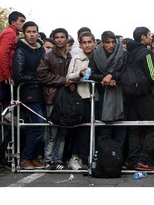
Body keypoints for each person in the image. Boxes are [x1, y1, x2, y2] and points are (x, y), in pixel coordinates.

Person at [124, 27, 154, 171]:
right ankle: (143, 160)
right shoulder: (146, 53)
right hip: (144, 95)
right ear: (143, 37)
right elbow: (153, 75)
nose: (150, 38)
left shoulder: (130, 53)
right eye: (148, 35)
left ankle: (133, 160)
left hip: (130, 95)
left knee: (135, 128)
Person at [11, 21, 46, 170]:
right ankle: (25, 157)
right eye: (29, 32)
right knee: (37, 125)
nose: (32, 34)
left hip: (42, 93)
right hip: (28, 93)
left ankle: (33, 157)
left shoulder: (41, 49)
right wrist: (37, 78)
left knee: (41, 126)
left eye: (34, 31)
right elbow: (18, 75)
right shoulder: (21, 50)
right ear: (24, 33)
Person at [36, 28, 72, 170]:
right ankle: (48, 160)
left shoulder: (70, 56)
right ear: (53, 39)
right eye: (56, 37)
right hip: (52, 97)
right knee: (52, 132)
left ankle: (58, 160)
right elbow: (41, 75)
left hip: (67, 98)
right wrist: (63, 80)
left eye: (62, 37)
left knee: (63, 131)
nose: (59, 39)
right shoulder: (48, 56)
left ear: (66, 38)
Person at [88, 31, 127, 149]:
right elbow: (90, 74)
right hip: (103, 96)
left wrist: (112, 75)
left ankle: (118, 159)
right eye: (107, 42)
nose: (111, 45)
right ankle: (105, 159)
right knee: (104, 131)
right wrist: (105, 78)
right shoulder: (96, 55)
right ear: (102, 43)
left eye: (113, 42)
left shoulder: (123, 54)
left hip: (121, 97)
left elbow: (126, 72)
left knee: (121, 131)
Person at [66, 32, 96, 170]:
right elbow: (69, 76)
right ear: (80, 44)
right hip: (82, 98)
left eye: (90, 42)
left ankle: (92, 157)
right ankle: (78, 157)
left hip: (97, 98)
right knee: (82, 129)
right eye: (84, 42)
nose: (87, 45)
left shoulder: (99, 57)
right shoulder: (77, 58)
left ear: (94, 43)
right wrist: (80, 73)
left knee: (96, 129)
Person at [0, 11, 26, 102]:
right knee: (6, 105)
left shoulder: (12, 33)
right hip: (4, 76)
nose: (24, 24)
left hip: (5, 74)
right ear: (13, 22)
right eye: (21, 21)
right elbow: (3, 53)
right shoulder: (10, 33)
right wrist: (7, 74)